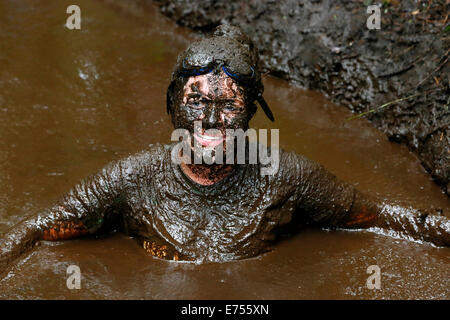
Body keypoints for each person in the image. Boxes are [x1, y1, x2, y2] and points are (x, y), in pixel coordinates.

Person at [0, 25, 448, 269]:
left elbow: (379, 217)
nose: (210, 122)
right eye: (196, 102)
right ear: (173, 106)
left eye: (228, 106)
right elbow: (41, 226)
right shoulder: (132, 178)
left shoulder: (286, 176)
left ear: (251, 111)